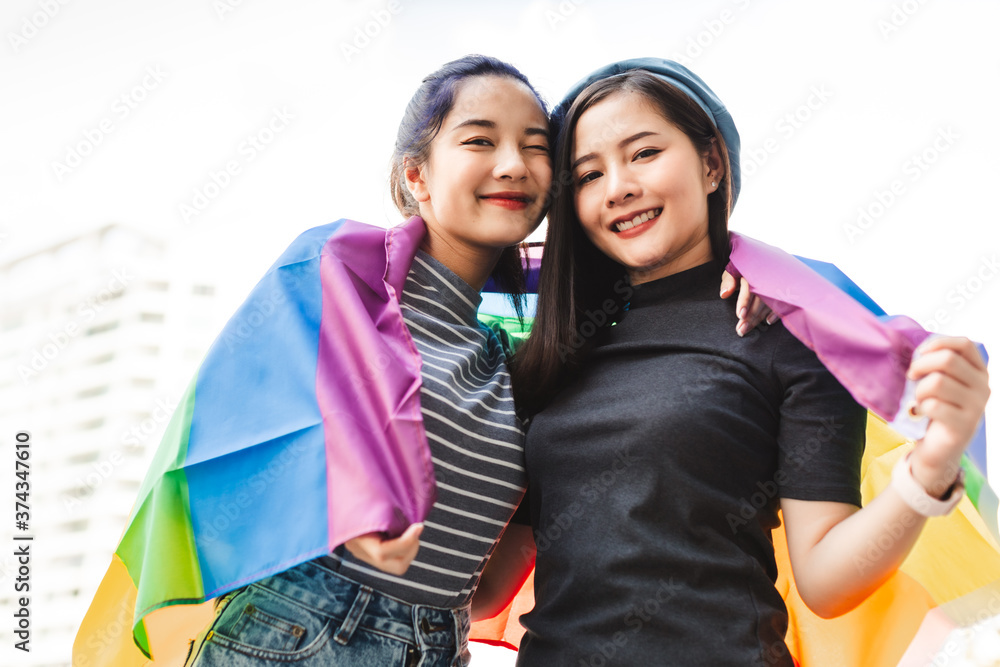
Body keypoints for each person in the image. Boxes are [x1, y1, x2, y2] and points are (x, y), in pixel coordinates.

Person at [171, 55, 768, 667]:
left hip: (437, 644)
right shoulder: (340, 282)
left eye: (535, 148)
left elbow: (486, 590)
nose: (511, 164)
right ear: (417, 176)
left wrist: (743, 269)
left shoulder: (516, 358)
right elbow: (238, 430)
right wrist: (350, 507)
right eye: (480, 140)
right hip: (305, 632)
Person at [493, 59, 991, 666]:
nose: (617, 186)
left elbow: (827, 582)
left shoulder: (785, 334)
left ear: (710, 164)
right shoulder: (552, 354)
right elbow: (487, 588)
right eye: (588, 174)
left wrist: (931, 468)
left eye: (644, 153)